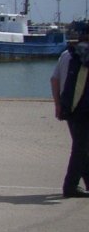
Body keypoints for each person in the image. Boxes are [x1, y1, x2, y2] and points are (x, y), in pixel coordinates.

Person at [51, 22, 89, 198]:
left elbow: (54, 80)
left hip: (69, 107)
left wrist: (58, 104)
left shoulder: (67, 54)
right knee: (81, 148)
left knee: (82, 146)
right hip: (84, 108)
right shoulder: (85, 55)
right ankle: (70, 187)